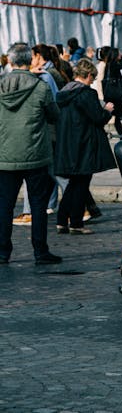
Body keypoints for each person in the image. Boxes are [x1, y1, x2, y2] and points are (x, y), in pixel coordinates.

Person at [0, 42, 61, 265]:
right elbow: (54, 115)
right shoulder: (40, 87)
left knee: (4, 206)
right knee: (38, 205)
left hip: (5, 156)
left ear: (10, 61)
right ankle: (40, 251)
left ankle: (2, 251)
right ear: (29, 60)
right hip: (36, 154)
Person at [53, 58, 116, 234]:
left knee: (73, 184)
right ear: (88, 75)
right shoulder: (86, 94)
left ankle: (62, 220)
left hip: (68, 144)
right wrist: (108, 110)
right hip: (84, 145)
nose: (92, 82)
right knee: (81, 184)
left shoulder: (64, 93)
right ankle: (75, 223)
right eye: (92, 78)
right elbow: (98, 118)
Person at [102, 47, 122, 136]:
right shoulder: (113, 64)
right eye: (119, 54)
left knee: (117, 116)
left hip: (110, 95)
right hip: (116, 95)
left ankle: (121, 134)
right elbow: (121, 66)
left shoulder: (108, 65)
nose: (120, 55)